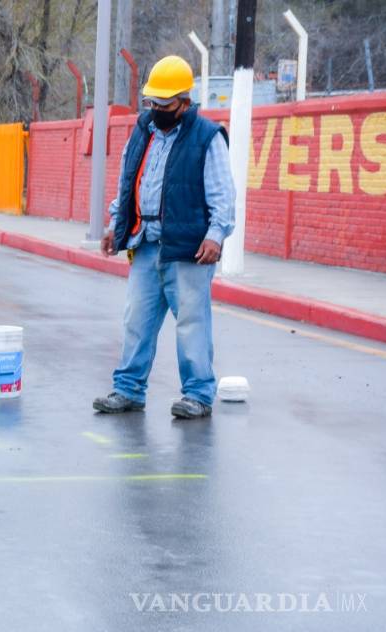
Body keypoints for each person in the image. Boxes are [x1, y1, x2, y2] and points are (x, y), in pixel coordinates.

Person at [93, 55, 235, 420]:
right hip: (145, 244)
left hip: (187, 250)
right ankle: (128, 389)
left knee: (191, 324)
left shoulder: (207, 137)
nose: (156, 109)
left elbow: (223, 195)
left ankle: (199, 394)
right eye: (152, 102)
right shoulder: (143, 132)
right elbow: (130, 184)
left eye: (165, 104)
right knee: (136, 321)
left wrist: (216, 236)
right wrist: (115, 223)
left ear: (185, 103)